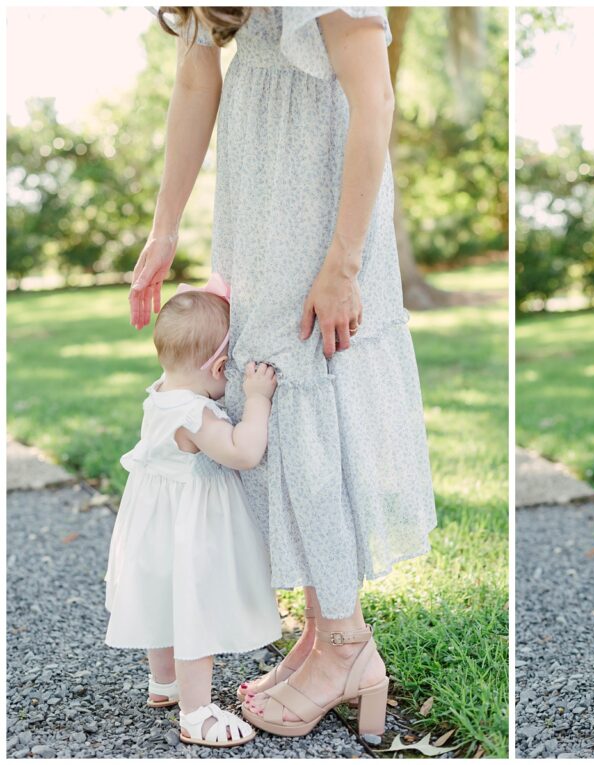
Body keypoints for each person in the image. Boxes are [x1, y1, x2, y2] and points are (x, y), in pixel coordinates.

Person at [129, 7, 436, 737]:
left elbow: (375, 98)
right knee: (268, 377)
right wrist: (165, 225)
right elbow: (195, 83)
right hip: (257, 183)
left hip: (322, 194)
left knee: (300, 377)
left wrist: (344, 260)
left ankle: (347, 643)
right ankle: (323, 630)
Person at [105, 278, 281, 748]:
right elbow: (244, 453)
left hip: (153, 521)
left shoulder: (161, 392)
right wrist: (259, 399)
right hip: (191, 527)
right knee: (193, 609)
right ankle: (196, 712)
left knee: (164, 597)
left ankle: (165, 684)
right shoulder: (195, 414)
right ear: (221, 366)